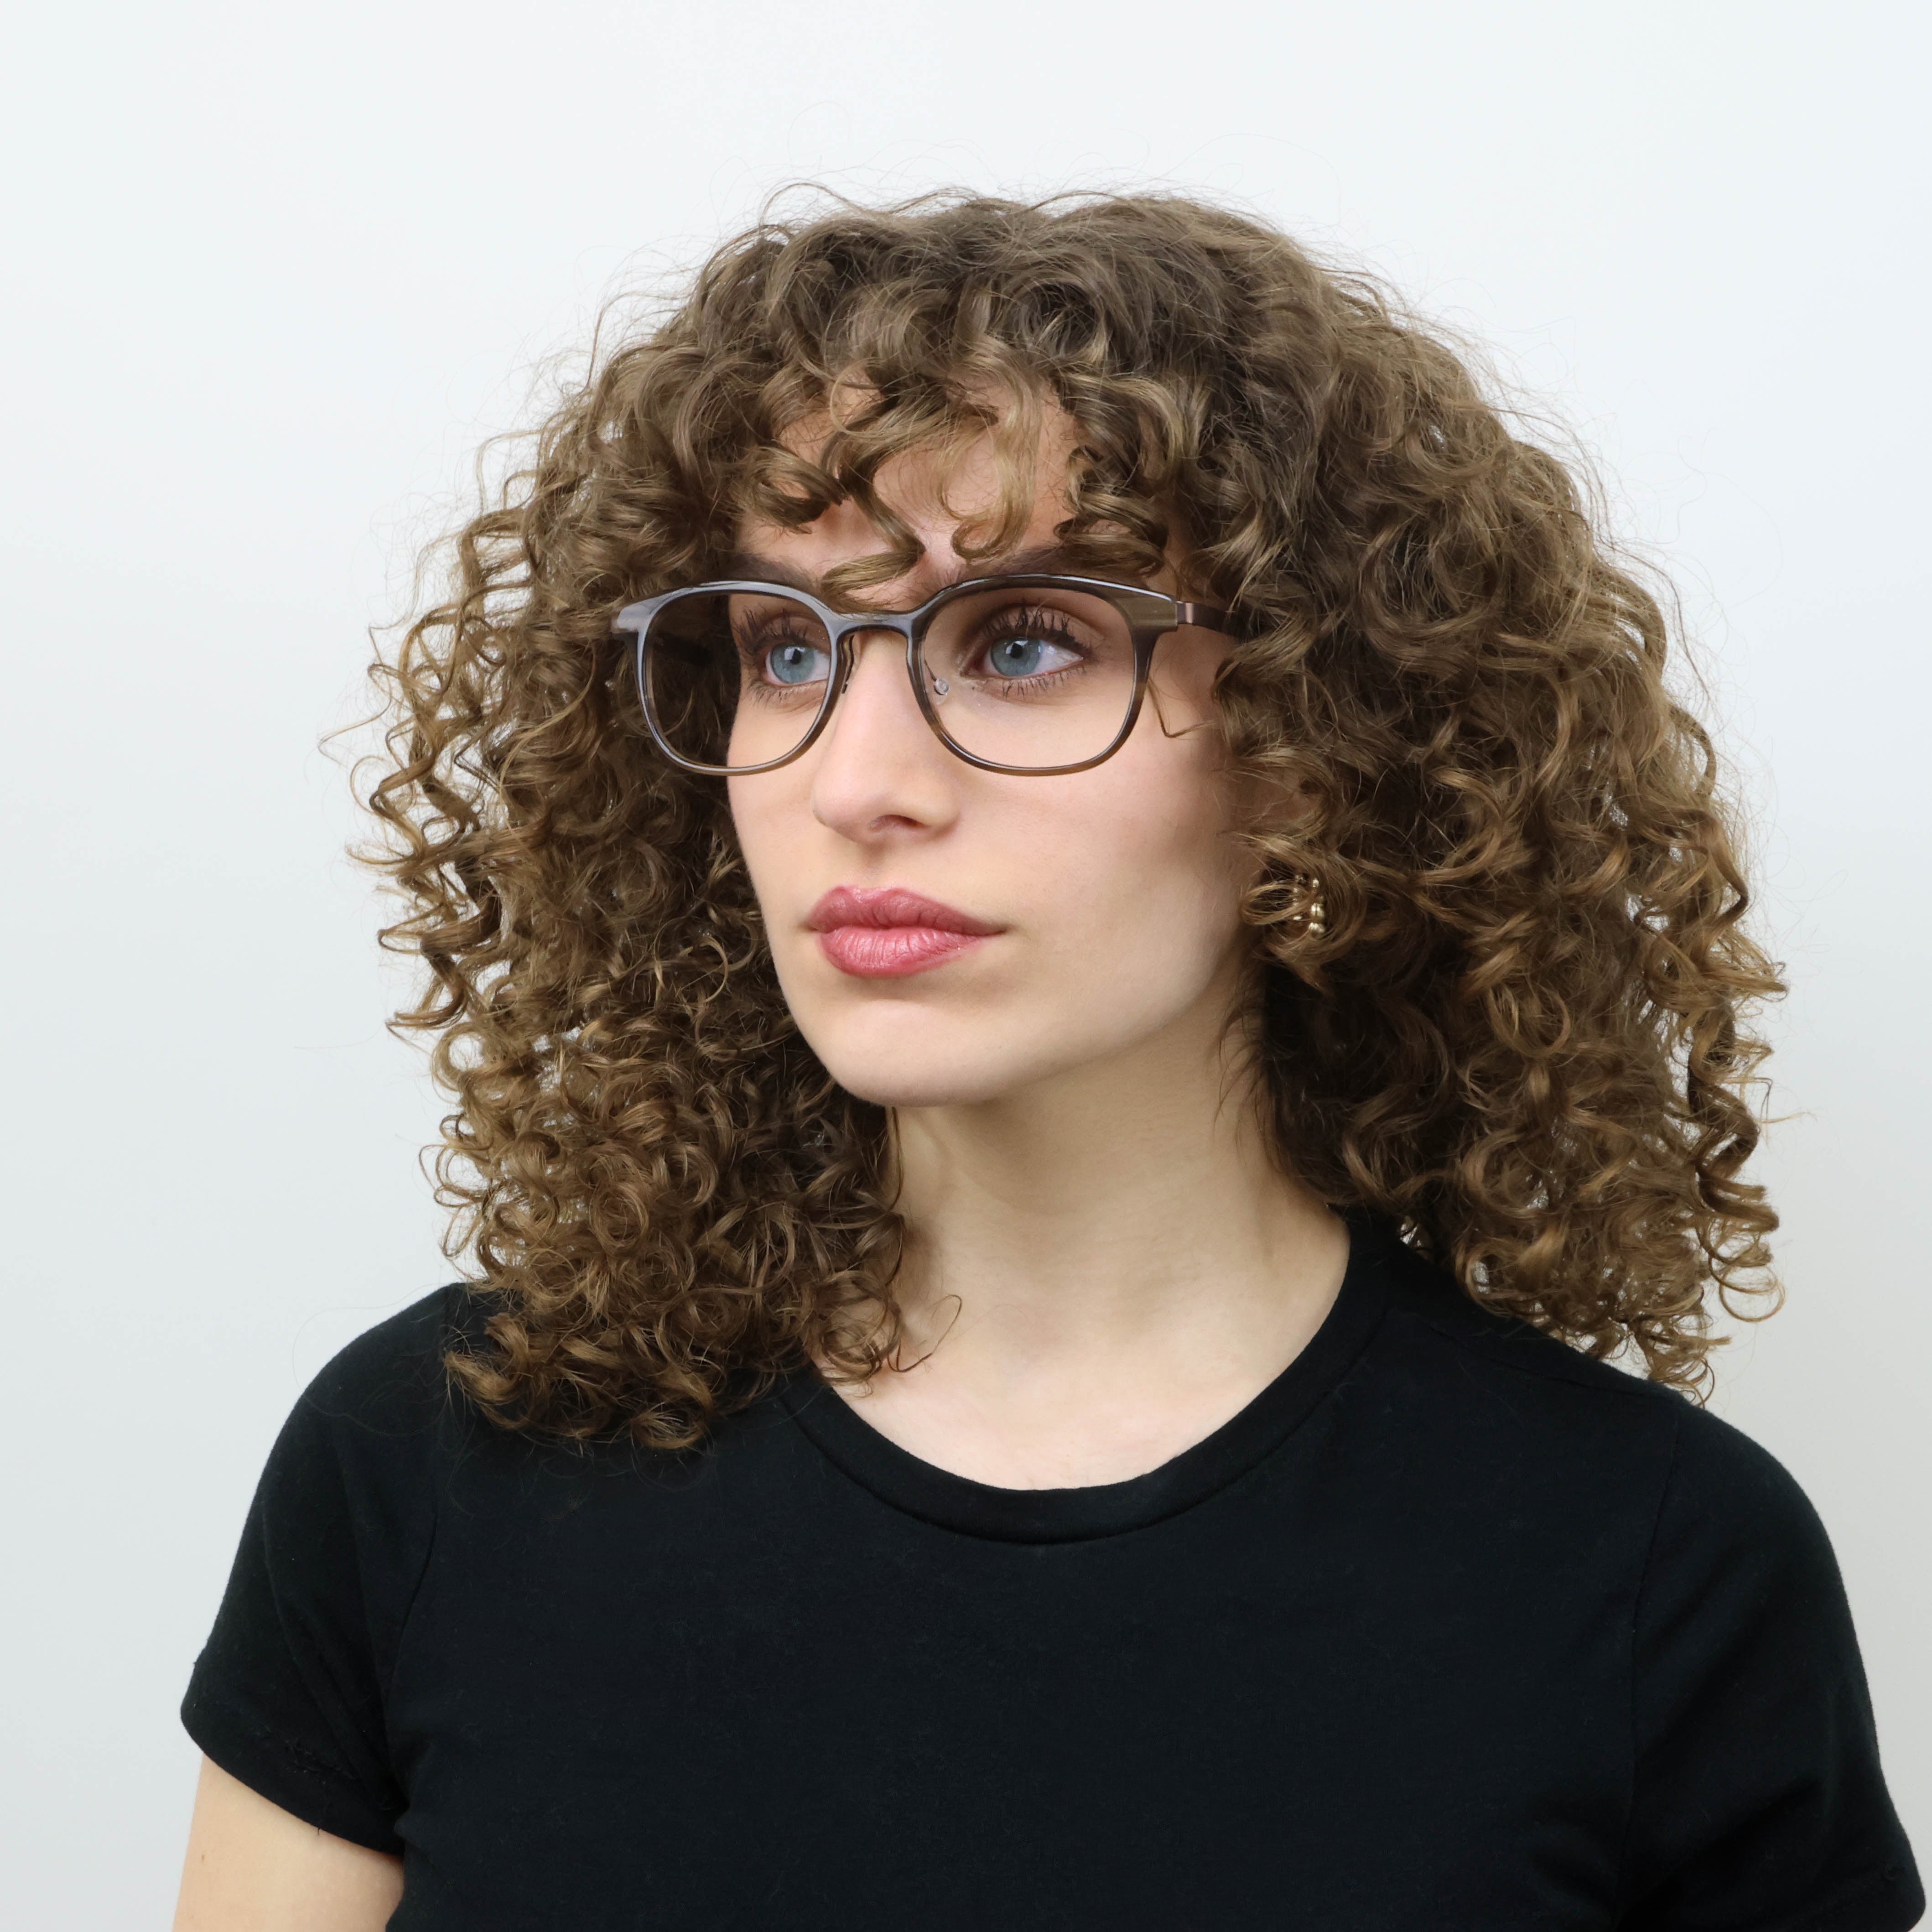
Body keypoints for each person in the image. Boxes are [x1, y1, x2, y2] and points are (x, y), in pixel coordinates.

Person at [172, 191, 1923, 1932]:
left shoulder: (1652, 1570)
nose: (855, 781)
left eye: (1021, 643)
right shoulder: (438, 1457)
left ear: (1315, 747)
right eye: (787, 647)